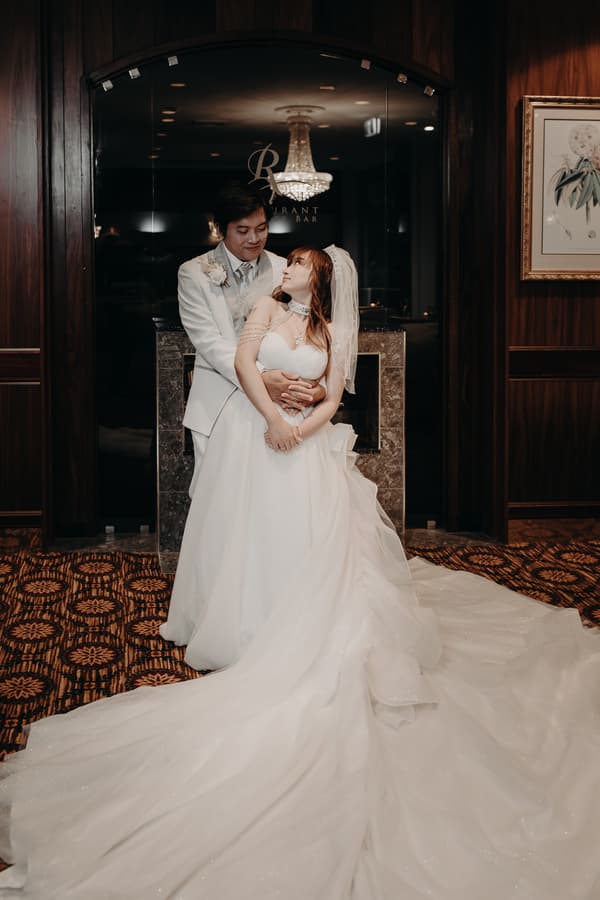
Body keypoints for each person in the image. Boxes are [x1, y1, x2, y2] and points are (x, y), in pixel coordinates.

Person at [1, 247, 600, 899]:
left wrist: (304, 428)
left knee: (308, 542)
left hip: (305, 448)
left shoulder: (332, 331)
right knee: (250, 533)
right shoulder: (265, 307)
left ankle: (293, 626)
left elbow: (335, 395)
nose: (283, 268)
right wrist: (271, 417)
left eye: (296, 265)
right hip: (256, 438)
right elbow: (241, 362)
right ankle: (248, 618)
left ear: (318, 277)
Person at [179, 183, 325, 495]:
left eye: (261, 228)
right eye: (242, 230)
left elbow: (306, 330)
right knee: (217, 496)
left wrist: (317, 386)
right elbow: (209, 342)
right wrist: (261, 378)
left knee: (271, 495)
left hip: (279, 404)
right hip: (218, 399)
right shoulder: (193, 273)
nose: (254, 239)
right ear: (220, 229)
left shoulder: (284, 268)